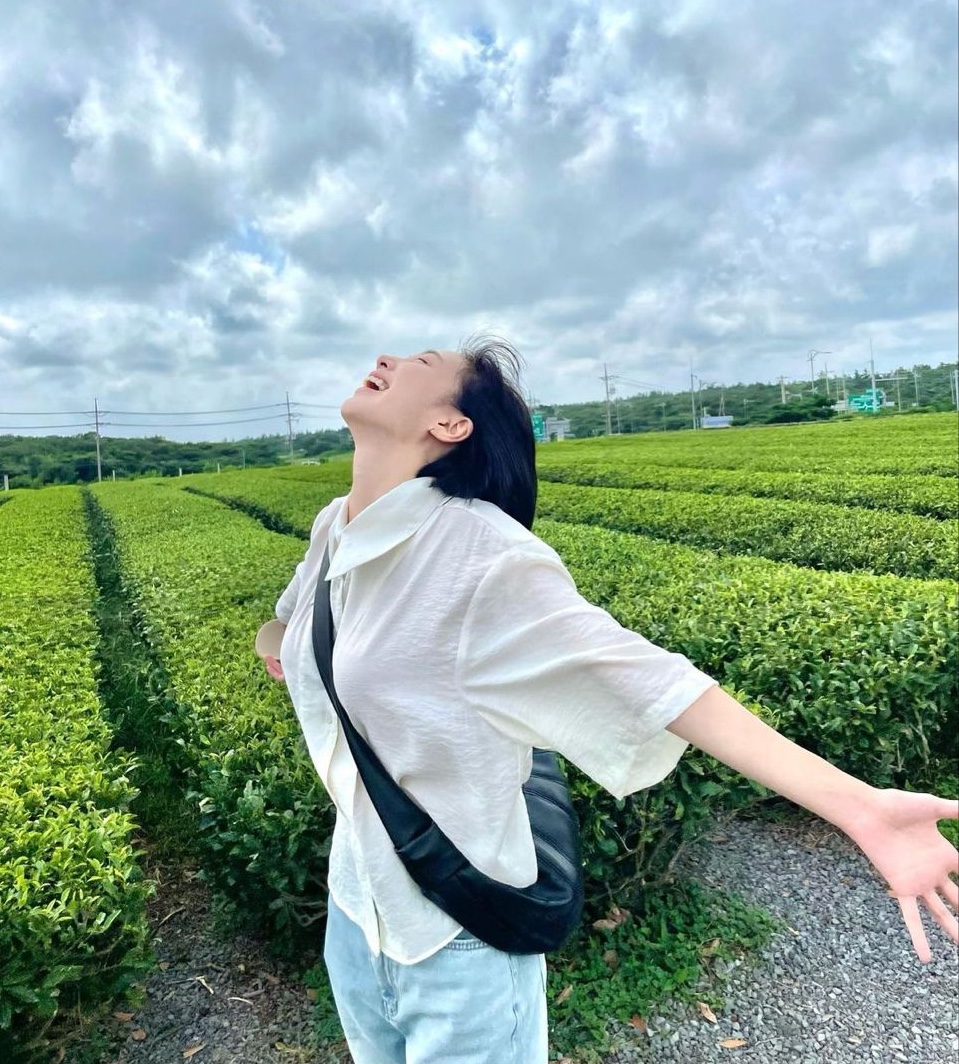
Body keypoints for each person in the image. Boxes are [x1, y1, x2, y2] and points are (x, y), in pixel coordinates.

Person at [261, 336, 958, 1064]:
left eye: (421, 364)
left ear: (451, 424)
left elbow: (658, 684)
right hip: (356, 906)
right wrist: (290, 653)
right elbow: (293, 624)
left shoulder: (481, 555)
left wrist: (859, 807)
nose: (388, 360)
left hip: (457, 931)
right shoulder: (334, 526)